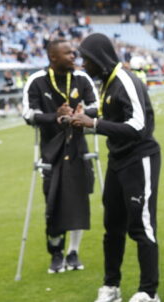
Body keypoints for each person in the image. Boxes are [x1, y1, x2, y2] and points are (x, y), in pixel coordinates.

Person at [71, 33, 161, 302]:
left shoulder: (125, 80)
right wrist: (81, 116)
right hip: (118, 160)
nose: (84, 66)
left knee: (141, 227)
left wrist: (93, 125)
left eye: (87, 60)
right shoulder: (108, 82)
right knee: (112, 226)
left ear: (100, 58)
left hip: (139, 159)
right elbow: (109, 114)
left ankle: (149, 292)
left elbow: (138, 126)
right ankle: (111, 287)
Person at [22, 38, 100, 275]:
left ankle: (73, 252)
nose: (73, 56)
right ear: (53, 57)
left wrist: (81, 113)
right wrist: (54, 116)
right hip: (51, 151)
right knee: (53, 204)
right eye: (67, 53)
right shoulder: (36, 81)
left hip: (78, 148)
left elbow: (97, 106)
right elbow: (27, 114)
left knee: (79, 201)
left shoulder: (82, 78)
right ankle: (56, 253)